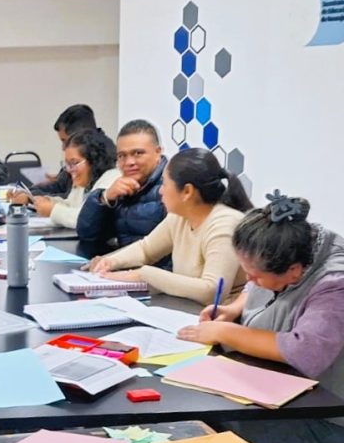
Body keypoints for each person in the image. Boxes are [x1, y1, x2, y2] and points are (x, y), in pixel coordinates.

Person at [177, 192, 344, 443]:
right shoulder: (286, 245)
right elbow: (255, 283)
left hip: (328, 413)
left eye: (255, 276)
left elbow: (306, 351)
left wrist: (226, 332)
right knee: (203, 409)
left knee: (218, 429)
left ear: (294, 272)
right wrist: (233, 309)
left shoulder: (334, 285)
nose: (250, 281)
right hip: (285, 390)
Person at [89, 147, 252, 305]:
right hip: (187, 310)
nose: (161, 191)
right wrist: (110, 261)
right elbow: (146, 249)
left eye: (165, 184)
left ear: (187, 191)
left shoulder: (224, 224)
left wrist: (145, 274)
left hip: (223, 317)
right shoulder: (179, 217)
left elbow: (212, 292)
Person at [76, 119, 168, 251]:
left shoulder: (172, 187)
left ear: (158, 152)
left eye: (138, 153)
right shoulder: (120, 189)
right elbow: (87, 235)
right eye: (122, 156)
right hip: (122, 262)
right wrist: (105, 198)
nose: (129, 162)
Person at [31, 129, 119, 229]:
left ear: (94, 160)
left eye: (74, 163)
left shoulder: (111, 179)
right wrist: (49, 201)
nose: (69, 170)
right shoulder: (85, 180)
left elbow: (87, 218)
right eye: (67, 164)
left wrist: (52, 210)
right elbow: (71, 206)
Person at [32, 104, 103, 197]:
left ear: (81, 136)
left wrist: (34, 197)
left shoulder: (103, 162)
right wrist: (28, 192)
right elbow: (60, 185)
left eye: (65, 141)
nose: (63, 148)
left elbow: (73, 199)